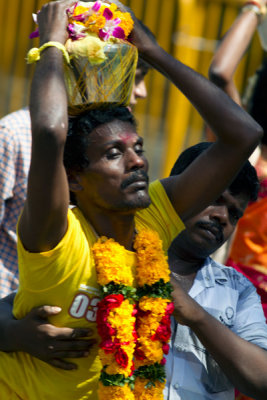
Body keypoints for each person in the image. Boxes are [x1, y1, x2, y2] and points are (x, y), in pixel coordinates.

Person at [0, 0, 262, 399]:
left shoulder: (154, 219)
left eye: (137, 147)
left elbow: (242, 135)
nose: (138, 160)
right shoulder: (55, 236)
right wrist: (51, 44)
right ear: (73, 179)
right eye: (113, 154)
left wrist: (154, 52)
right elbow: (51, 133)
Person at [0, 24, 151, 299]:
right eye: (134, 76)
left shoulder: (119, 138)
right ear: (90, 70)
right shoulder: (14, 134)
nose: (141, 91)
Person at [165, 142, 267, 400]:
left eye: (234, 214)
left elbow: (262, 381)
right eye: (215, 199)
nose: (222, 217)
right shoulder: (119, 255)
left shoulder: (239, 290)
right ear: (177, 185)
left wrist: (197, 316)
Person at [208, 0, 267, 327]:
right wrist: (255, 9)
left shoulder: (251, 151)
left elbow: (220, 74)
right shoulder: (250, 150)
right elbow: (220, 72)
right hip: (241, 302)